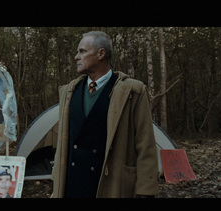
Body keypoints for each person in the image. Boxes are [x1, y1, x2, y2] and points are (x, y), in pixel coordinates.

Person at [51, 31, 159, 198]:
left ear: (101, 54)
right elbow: (63, 146)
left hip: (110, 187)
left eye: (82, 51)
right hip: (72, 187)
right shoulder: (69, 92)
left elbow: (146, 145)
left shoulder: (132, 92)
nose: (76, 57)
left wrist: (145, 191)